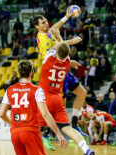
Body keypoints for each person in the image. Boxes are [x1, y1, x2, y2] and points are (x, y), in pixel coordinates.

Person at [0, 60, 68, 155]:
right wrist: (58, 133)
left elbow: (1, 114)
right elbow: (45, 114)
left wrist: (14, 123)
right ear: (31, 73)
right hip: (30, 130)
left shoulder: (10, 89)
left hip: (15, 131)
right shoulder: (36, 90)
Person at [27, 42, 95, 155]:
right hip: (58, 98)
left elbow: (54, 46)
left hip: (45, 97)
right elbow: (64, 54)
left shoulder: (50, 58)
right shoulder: (67, 63)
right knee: (67, 128)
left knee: (37, 131)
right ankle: (86, 150)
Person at [33, 14, 87, 147]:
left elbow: (56, 27)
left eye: (46, 21)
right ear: (37, 27)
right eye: (43, 23)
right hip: (54, 69)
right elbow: (58, 45)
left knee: (82, 93)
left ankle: (74, 124)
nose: (47, 24)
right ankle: (45, 133)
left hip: (62, 65)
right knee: (57, 104)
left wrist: (67, 16)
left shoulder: (48, 31)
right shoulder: (43, 39)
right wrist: (72, 41)